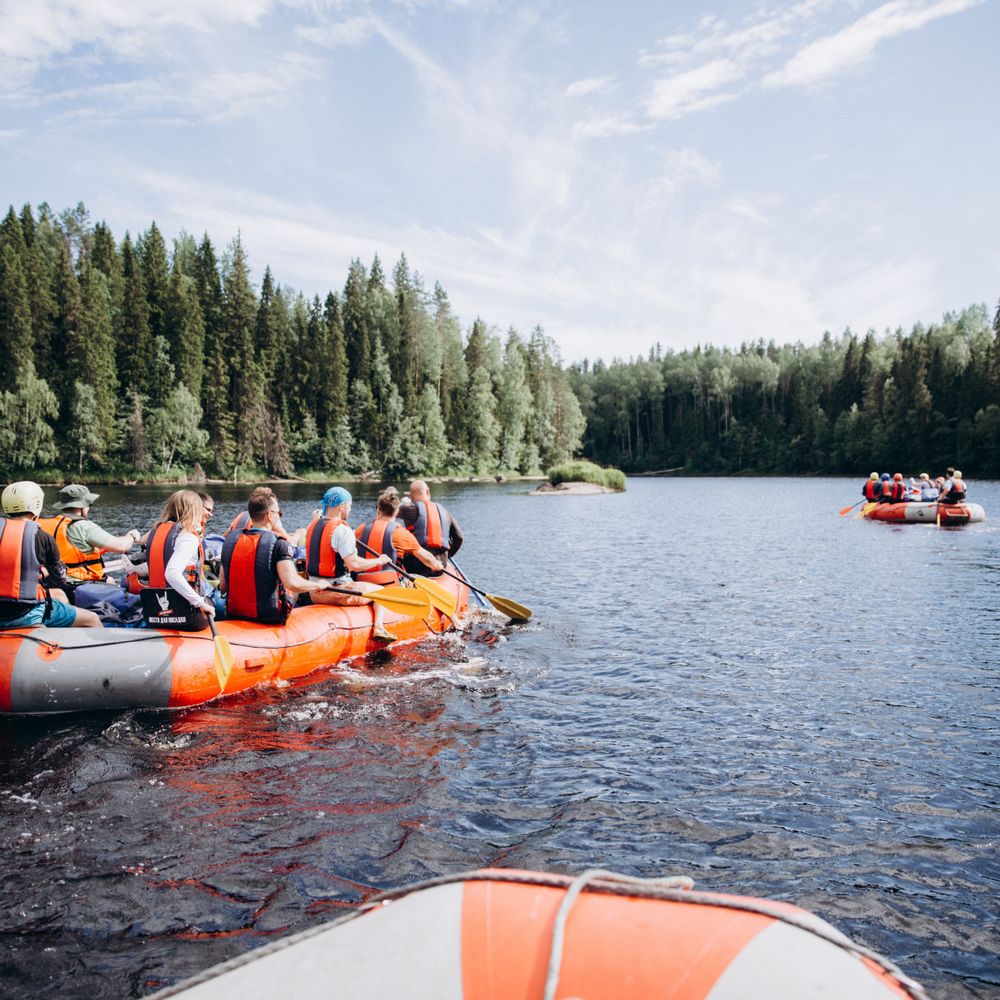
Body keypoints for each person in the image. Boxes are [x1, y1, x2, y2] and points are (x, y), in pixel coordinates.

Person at [0, 482, 102, 629]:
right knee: (92, 619)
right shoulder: (43, 537)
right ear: (37, 505)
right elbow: (58, 581)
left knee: (58, 594)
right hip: (27, 613)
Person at [219, 488, 330, 624]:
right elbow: (292, 583)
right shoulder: (279, 544)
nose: (280, 516)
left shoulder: (230, 540)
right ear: (270, 515)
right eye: (279, 513)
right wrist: (317, 585)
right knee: (296, 589)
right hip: (268, 616)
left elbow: (223, 586)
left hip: (234, 613)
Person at [304, 486, 398, 643]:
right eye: (349, 505)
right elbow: (354, 564)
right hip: (337, 592)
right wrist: (379, 560)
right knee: (382, 592)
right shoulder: (341, 529)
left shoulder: (311, 526)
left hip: (314, 592)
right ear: (341, 506)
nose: (350, 509)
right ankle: (379, 628)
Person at [36, 483, 141, 582]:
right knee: (116, 583)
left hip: (53, 580)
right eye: (89, 504)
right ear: (81, 506)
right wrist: (131, 536)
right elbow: (121, 546)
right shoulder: (83, 526)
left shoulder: (44, 524)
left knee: (110, 580)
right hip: (79, 583)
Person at [144, 490, 215, 622]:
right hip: (184, 613)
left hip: (155, 612)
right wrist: (200, 603)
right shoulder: (188, 538)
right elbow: (172, 573)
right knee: (218, 604)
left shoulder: (159, 531)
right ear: (193, 511)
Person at [354, 490, 442, 585]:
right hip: (390, 583)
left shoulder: (360, 529)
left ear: (378, 509)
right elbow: (426, 558)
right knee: (424, 580)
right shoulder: (401, 533)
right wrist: (436, 565)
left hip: (363, 580)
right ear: (397, 512)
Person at [398, 479, 463, 576]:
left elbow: (386, 511)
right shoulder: (445, 512)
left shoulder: (408, 509)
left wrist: (401, 504)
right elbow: (459, 537)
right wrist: (448, 555)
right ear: (428, 492)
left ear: (411, 496)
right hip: (440, 565)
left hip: (416, 565)